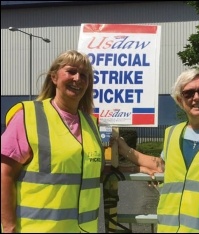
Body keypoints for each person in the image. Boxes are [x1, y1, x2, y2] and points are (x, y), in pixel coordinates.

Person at [0, 50, 162, 233]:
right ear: (54, 77)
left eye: (84, 75)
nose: (78, 78)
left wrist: (138, 169)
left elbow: (91, 171)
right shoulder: (29, 116)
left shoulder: (91, 124)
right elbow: (4, 174)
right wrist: (8, 226)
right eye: (71, 71)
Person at [115, 68, 199, 233]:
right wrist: (124, 149)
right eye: (188, 93)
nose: (196, 97)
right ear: (180, 100)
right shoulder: (172, 133)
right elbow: (163, 167)